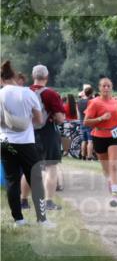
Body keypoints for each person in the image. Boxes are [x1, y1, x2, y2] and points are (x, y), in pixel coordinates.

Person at [1, 60, 52, 227]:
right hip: (25, 142)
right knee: (35, 180)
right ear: (15, 77)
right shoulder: (28, 93)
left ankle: (18, 219)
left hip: (5, 142)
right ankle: (42, 219)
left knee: (12, 181)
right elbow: (39, 120)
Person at [28, 64, 67, 212]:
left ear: (33, 76)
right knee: (51, 167)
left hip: (28, 133)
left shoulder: (25, 92)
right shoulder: (50, 93)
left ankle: (23, 200)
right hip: (47, 132)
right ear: (47, 77)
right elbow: (60, 118)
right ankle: (48, 201)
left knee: (30, 167)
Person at [82, 77, 117, 207]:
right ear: (99, 88)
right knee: (106, 169)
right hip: (99, 135)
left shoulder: (116, 102)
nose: (106, 88)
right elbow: (86, 122)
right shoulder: (94, 103)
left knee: (114, 166)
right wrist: (101, 118)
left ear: (111, 88)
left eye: (108, 86)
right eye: (103, 86)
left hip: (115, 135)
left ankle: (115, 196)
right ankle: (111, 184)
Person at [77, 84, 93, 160]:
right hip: (89, 122)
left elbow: (78, 113)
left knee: (84, 140)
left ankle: (83, 156)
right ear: (90, 93)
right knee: (90, 141)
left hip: (81, 121)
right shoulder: (90, 102)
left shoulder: (79, 102)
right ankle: (89, 156)